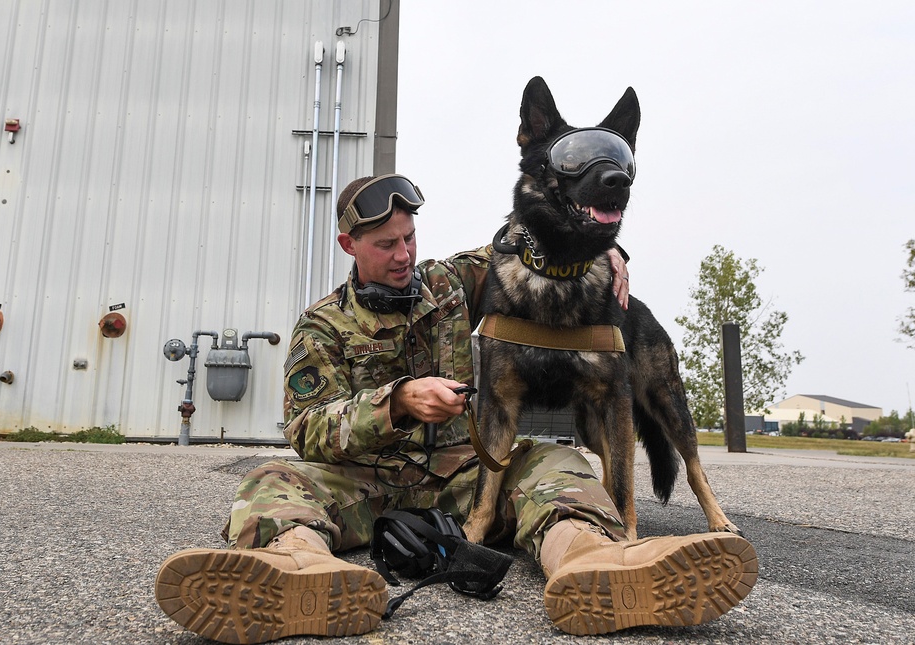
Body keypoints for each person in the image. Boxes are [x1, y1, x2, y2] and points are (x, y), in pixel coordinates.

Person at [155, 174, 758, 644]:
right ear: (349, 244)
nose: (403, 255)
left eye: (410, 238)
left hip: (467, 479)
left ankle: (591, 561)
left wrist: (610, 245)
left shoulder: (451, 283)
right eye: (386, 244)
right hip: (367, 482)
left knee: (554, 462)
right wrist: (395, 403)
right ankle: (299, 571)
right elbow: (306, 430)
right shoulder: (321, 325)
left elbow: (532, 236)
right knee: (271, 481)